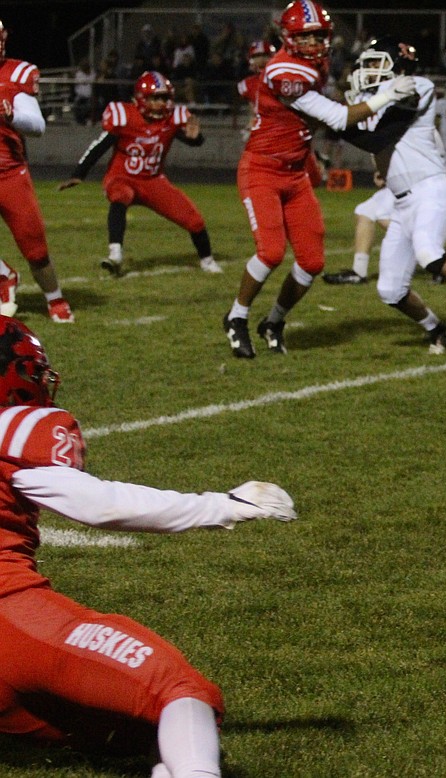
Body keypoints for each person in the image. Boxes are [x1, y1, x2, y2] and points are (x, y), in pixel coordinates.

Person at [0, 314, 297, 775]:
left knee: (132, 733)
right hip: (12, 623)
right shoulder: (19, 426)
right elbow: (99, 504)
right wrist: (222, 506)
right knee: (181, 691)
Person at [223, 0, 406, 359]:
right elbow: (335, 118)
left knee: (311, 262)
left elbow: (321, 117)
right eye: (305, 36)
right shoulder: (284, 72)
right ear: (288, 37)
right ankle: (236, 316)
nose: (313, 43)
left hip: (294, 172)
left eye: (318, 35)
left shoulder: (313, 63)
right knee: (271, 252)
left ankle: (274, 321)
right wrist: (386, 96)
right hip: (262, 168)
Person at [335, 39, 446, 353]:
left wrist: (338, 124)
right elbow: (378, 141)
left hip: (430, 188)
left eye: (377, 63)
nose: (369, 70)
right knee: (390, 290)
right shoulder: (376, 97)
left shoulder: (417, 86)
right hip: (401, 200)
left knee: (429, 252)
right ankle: (438, 330)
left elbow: (379, 137)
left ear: (399, 65)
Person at [57, 71, 221, 277]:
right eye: (156, 98)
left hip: (153, 181)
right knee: (120, 196)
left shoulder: (172, 118)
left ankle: (207, 261)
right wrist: (79, 173)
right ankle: (115, 254)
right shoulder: (125, 115)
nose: (161, 103)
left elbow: (191, 139)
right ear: (141, 99)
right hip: (121, 177)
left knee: (194, 220)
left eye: (165, 98)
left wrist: (196, 139)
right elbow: (100, 145)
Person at [0, 19, 74, 324]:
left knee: (35, 249)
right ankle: (5, 277)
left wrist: (12, 116)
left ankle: (55, 299)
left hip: (9, 174)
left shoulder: (15, 73)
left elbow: (38, 126)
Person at [322, 170, 391, 285]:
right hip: (398, 184)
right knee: (365, 211)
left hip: (419, 184)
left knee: (385, 216)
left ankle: (429, 254)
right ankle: (358, 273)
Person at [236, 40, 275, 137]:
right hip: (260, 125)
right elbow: (252, 110)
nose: (261, 60)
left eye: (264, 56)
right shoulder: (248, 83)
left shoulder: (279, 80)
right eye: (257, 56)